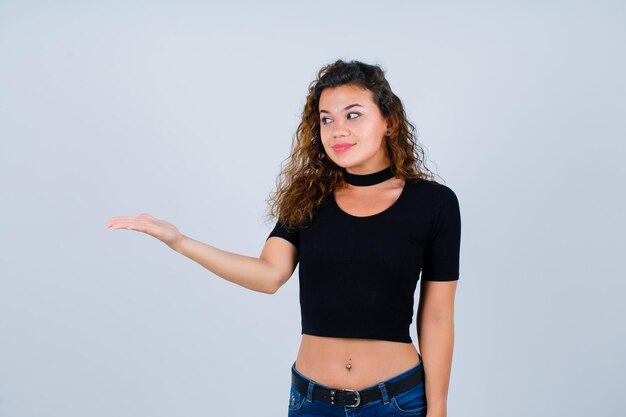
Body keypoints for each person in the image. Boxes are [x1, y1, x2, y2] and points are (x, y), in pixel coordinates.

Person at [106, 59, 461, 417]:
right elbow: (268, 275)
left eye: (353, 115)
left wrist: (439, 406)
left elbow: (437, 316)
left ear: (389, 122)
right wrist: (180, 241)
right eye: (326, 119)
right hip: (312, 403)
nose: (338, 130)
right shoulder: (309, 197)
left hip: (396, 402)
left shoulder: (433, 203)